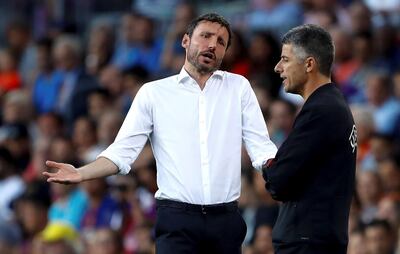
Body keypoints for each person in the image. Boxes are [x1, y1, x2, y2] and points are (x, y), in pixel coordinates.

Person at [43, 13, 277, 254]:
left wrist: (280, 167)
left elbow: (261, 147)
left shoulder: (239, 87)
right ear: (185, 41)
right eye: (205, 36)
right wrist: (81, 173)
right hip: (177, 220)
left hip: (226, 219)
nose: (212, 45)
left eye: (220, 42)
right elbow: (122, 153)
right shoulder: (153, 93)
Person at [262, 24, 357, 254]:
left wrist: (267, 163)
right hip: (319, 239)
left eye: (285, 59)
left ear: (309, 64)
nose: (277, 68)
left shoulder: (320, 111)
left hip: (307, 243)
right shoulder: (333, 105)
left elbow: (278, 180)